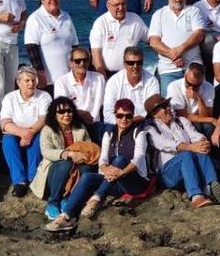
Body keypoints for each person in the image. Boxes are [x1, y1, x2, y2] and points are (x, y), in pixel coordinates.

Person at [45, 98, 152, 231]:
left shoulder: (139, 133)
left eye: (128, 116)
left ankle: (96, 198)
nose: (124, 119)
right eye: (120, 115)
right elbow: (103, 159)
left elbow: (139, 157)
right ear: (115, 116)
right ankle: (66, 217)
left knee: (120, 160)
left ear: (132, 116)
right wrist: (106, 170)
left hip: (135, 181)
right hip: (114, 180)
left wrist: (122, 172)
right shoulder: (109, 134)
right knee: (88, 177)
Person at [144, 94, 220, 209]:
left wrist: (203, 142)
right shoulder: (150, 129)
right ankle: (196, 196)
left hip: (189, 169)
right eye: (164, 107)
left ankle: (212, 187)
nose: (168, 108)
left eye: (168, 105)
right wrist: (191, 147)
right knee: (186, 154)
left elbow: (195, 135)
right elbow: (164, 144)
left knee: (200, 150)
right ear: (155, 114)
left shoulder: (181, 121)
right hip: (167, 173)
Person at [30, 97, 93, 220]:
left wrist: (82, 156)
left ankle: (68, 198)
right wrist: (68, 154)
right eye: (61, 112)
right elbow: (46, 151)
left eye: (69, 111)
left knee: (86, 167)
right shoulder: (48, 130)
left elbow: (88, 146)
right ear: (54, 114)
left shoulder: (80, 128)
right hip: (54, 172)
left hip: (75, 169)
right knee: (65, 164)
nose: (66, 114)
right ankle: (53, 202)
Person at [0, 66, 53, 197]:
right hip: (16, 132)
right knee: (8, 140)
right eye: (27, 80)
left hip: (36, 130)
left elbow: (43, 119)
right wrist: (22, 133)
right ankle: (19, 181)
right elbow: (4, 123)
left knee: (38, 139)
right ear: (19, 82)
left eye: (33, 80)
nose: (31, 83)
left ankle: (32, 177)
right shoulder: (10, 98)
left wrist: (30, 133)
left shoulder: (44, 96)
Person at [148, 0, 206, 94]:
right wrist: (173, 56)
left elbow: (199, 34)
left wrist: (180, 50)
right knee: (171, 105)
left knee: (197, 102)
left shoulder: (193, 11)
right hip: (168, 69)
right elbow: (154, 42)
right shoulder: (159, 14)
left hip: (192, 66)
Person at [24, 0, 79, 91]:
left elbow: (75, 46)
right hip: (48, 80)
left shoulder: (66, 17)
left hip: (69, 78)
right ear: (41, 0)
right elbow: (31, 48)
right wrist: (40, 72)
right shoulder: (35, 18)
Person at [89, 0, 149, 78]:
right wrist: (102, 77)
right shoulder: (100, 23)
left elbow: (151, 39)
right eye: (116, 5)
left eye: (123, 4)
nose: (121, 8)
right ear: (108, 6)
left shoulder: (136, 20)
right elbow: (95, 53)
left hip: (129, 74)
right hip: (107, 74)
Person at [53, 48, 106, 143]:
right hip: (73, 125)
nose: (82, 63)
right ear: (71, 63)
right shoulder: (61, 82)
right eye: (78, 61)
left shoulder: (99, 79)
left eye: (85, 60)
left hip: (95, 123)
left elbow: (104, 105)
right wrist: (81, 113)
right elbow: (61, 109)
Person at [103, 46, 160, 125]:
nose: (135, 66)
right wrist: (126, 123)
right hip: (119, 125)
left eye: (139, 63)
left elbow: (153, 111)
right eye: (131, 63)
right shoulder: (113, 82)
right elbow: (108, 115)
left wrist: (132, 121)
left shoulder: (152, 81)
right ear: (124, 64)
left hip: (144, 124)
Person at [167, 63, 216, 136]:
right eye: (189, 83)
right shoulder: (174, 87)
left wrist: (199, 98)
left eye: (196, 86)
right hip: (180, 121)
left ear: (202, 80)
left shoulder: (209, 87)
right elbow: (182, 115)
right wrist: (210, 119)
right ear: (185, 75)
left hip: (199, 120)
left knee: (209, 127)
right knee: (196, 126)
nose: (191, 88)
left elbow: (206, 115)